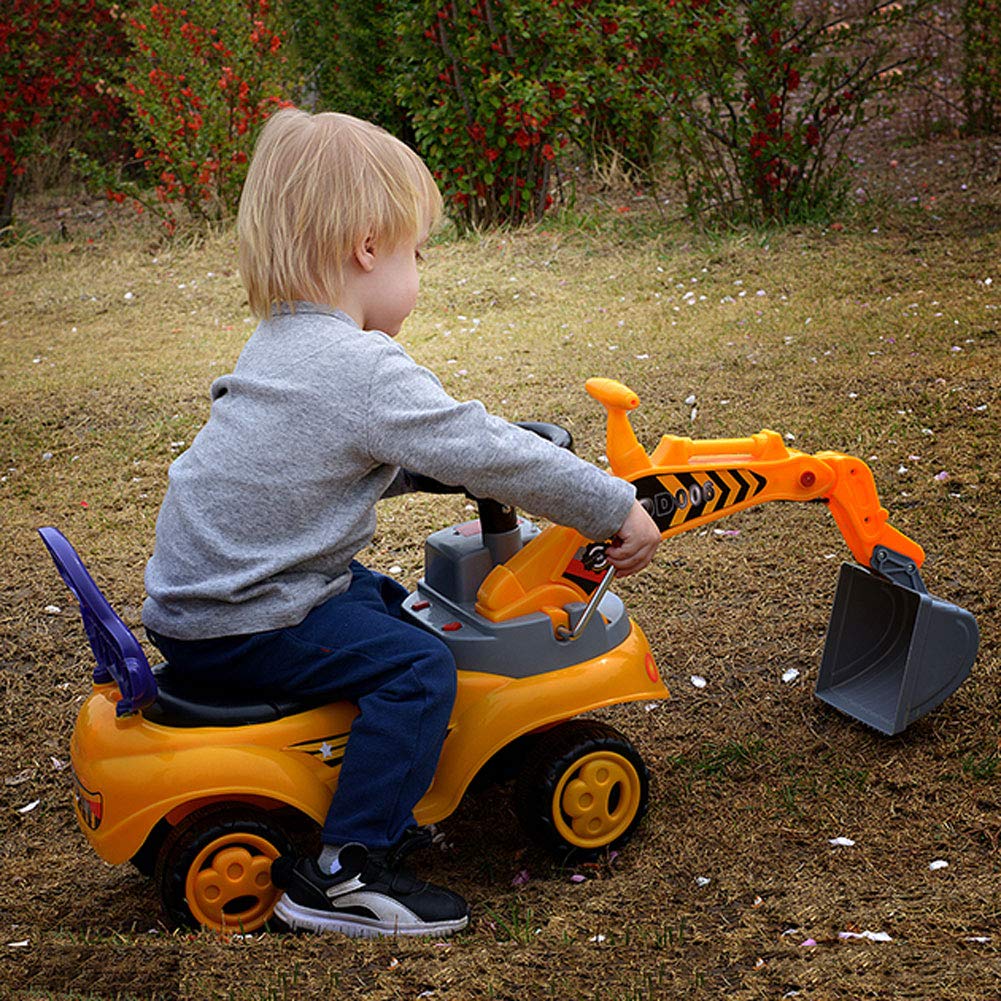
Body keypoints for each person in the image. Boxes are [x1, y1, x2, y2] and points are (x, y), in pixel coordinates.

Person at [142, 107, 661, 939]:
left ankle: (400, 767)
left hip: (215, 598)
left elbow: (325, 462)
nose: (419, 270)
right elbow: (484, 450)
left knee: (389, 602)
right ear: (367, 248)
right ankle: (348, 869)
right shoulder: (361, 366)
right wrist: (609, 503)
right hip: (251, 615)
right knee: (419, 667)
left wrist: (435, 466)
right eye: (416, 253)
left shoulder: (280, 342)